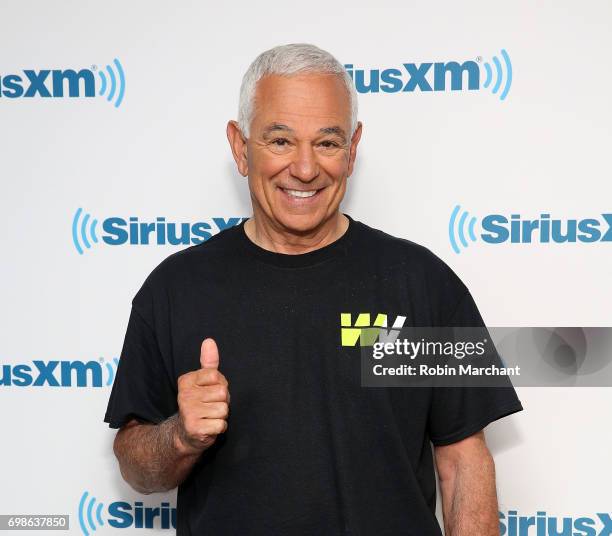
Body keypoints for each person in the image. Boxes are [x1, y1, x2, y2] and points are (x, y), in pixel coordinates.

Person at [104, 43, 523, 535]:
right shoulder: (174, 289)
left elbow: (463, 464)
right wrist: (179, 436)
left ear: (352, 147)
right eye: (280, 141)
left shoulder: (425, 284)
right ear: (240, 147)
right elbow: (134, 468)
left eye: (327, 142)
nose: (305, 169)